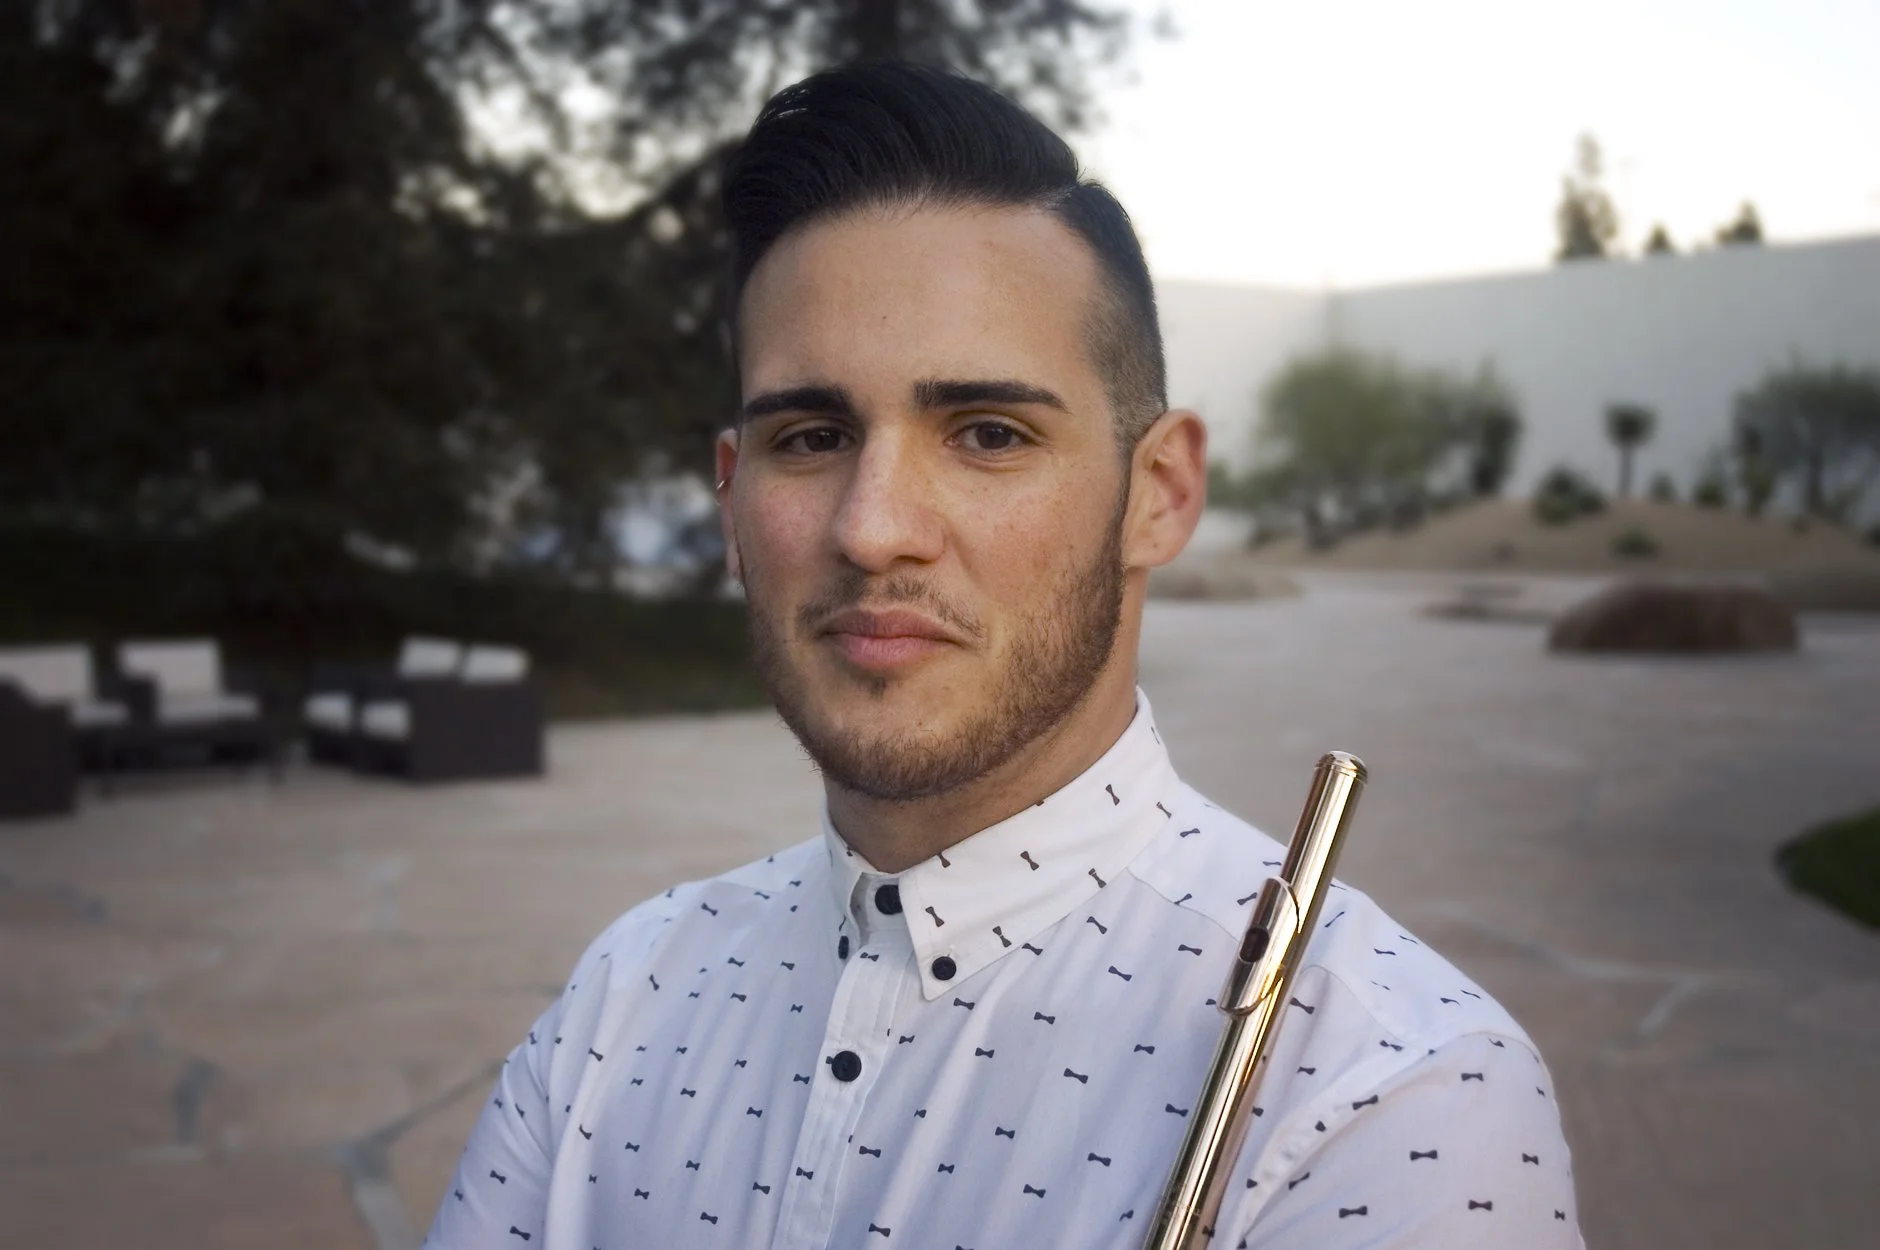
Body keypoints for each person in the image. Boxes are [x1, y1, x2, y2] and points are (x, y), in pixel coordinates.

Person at [426, 61, 1581, 1249]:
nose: (872, 526)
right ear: (733, 501)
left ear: (1159, 492)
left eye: (987, 433)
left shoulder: (1393, 1096)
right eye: (812, 435)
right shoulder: (626, 996)